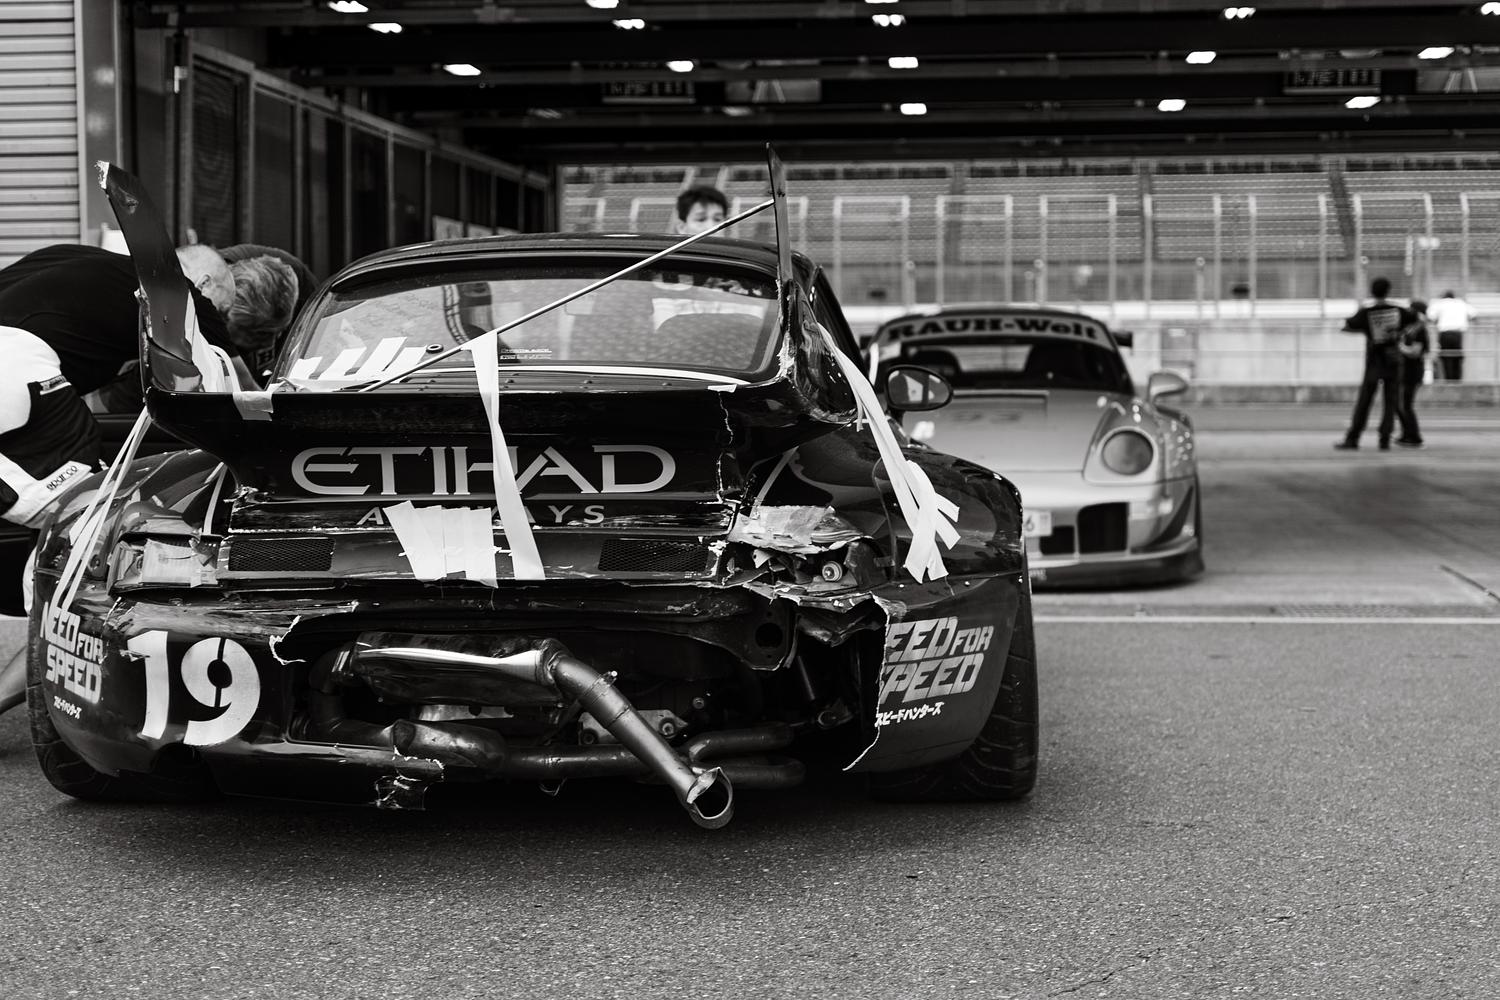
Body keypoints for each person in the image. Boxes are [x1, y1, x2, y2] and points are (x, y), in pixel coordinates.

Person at [1336, 277, 1419, 451]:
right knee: (1390, 402)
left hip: (1374, 361)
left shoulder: (1367, 312)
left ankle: (1353, 438)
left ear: (1371, 291)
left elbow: (1346, 326)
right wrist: (1399, 333)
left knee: (1365, 401)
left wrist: (1366, 331)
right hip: (1394, 361)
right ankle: (1384, 438)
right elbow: (1416, 319)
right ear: (1388, 290)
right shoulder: (1398, 310)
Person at [1396, 299, 1431, 448]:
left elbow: (1415, 352)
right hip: (1405, 370)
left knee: (1405, 405)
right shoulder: (1410, 328)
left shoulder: (1420, 330)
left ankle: (1414, 436)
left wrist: (1399, 347)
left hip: (1413, 371)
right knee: (1399, 404)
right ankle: (1407, 434)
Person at [1425, 290, 1476, 381]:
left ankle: (1448, 379)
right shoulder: (1461, 303)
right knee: (1457, 356)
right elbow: (1474, 314)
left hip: (1445, 333)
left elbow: (1430, 316)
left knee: (1446, 356)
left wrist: (1438, 320)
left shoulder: (1440, 303)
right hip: (1458, 334)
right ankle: (1457, 380)